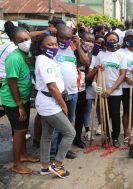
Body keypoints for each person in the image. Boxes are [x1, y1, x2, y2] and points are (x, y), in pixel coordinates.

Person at [33, 33, 75, 178]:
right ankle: (57, 165)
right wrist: (63, 105)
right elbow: (52, 87)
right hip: (50, 104)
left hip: (47, 102)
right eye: (49, 44)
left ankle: (45, 167)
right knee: (70, 133)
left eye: (55, 44)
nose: (54, 47)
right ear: (41, 46)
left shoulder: (46, 59)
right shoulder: (45, 61)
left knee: (46, 136)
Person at [0, 27, 39, 174]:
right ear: (14, 43)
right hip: (13, 100)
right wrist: (19, 106)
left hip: (23, 98)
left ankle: (23, 155)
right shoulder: (14, 58)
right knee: (19, 130)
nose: (25, 42)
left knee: (23, 130)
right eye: (20, 41)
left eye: (26, 39)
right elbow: (11, 83)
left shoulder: (28, 53)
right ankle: (16, 164)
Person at [50, 24, 89, 159]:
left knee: (68, 123)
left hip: (73, 93)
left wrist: (78, 46)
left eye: (67, 38)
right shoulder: (52, 48)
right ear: (56, 36)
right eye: (61, 37)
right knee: (56, 125)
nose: (63, 40)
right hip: (57, 94)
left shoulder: (73, 49)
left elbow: (86, 63)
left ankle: (63, 150)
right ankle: (52, 153)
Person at [93, 32, 127, 148]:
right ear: (106, 41)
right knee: (104, 114)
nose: (112, 42)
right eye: (110, 40)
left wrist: (111, 89)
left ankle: (115, 136)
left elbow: (122, 75)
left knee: (115, 114)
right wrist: (95, 85)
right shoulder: (100, 54)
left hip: (115, 91)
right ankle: (107, 135)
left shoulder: (121, 55)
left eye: (114, 40)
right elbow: (96, 72)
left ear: (118, 41)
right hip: (102, 90)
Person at [73, 32, 95, 148]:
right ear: (81, 40)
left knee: (80, 114)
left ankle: (77, 138)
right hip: (70, 88)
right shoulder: (73, 51)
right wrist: (77, 47)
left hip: (82, 88)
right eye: (88, 40)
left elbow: (86, 63)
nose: (90, 43)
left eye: (92, 41)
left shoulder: (92, 56)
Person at [120, 29, 133, 144]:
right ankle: (125, 133)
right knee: (126, 110)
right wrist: (125, 78)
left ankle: (130, 130)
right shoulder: (121, 51)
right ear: (125, 39)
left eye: (132, 38)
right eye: (128, 38)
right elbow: (118, 69)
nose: (130, 40)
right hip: (124, 85)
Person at [85, 35, 105, 139]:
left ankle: (100, 126)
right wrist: (93, 83)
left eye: (101, 44)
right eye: (96, 43)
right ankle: (88, 130)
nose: (98, 45)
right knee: (87, 108)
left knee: (99, 108)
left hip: (101, 86)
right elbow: (89, 75)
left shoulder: (104, 55)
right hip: (90, 87)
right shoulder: (92, 57)